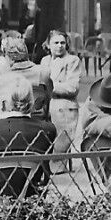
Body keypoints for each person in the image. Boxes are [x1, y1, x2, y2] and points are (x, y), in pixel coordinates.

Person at [41, 30, 81, 171]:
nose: (59, 46)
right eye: (56, 43)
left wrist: (50, 87)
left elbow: (72, 87)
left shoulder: (72, 60)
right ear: (48, 45)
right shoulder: (45, 61)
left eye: (62, 43)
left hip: (64, 105)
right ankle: (46, 166)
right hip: (47, 105)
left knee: (61, 141)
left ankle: (58, 167)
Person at [0, 30, 52, 119]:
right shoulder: (43, 72)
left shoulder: (4, 76)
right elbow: (49, 98)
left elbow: (2, 107)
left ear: (8, 56)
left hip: (13, 124)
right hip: (40, 123)